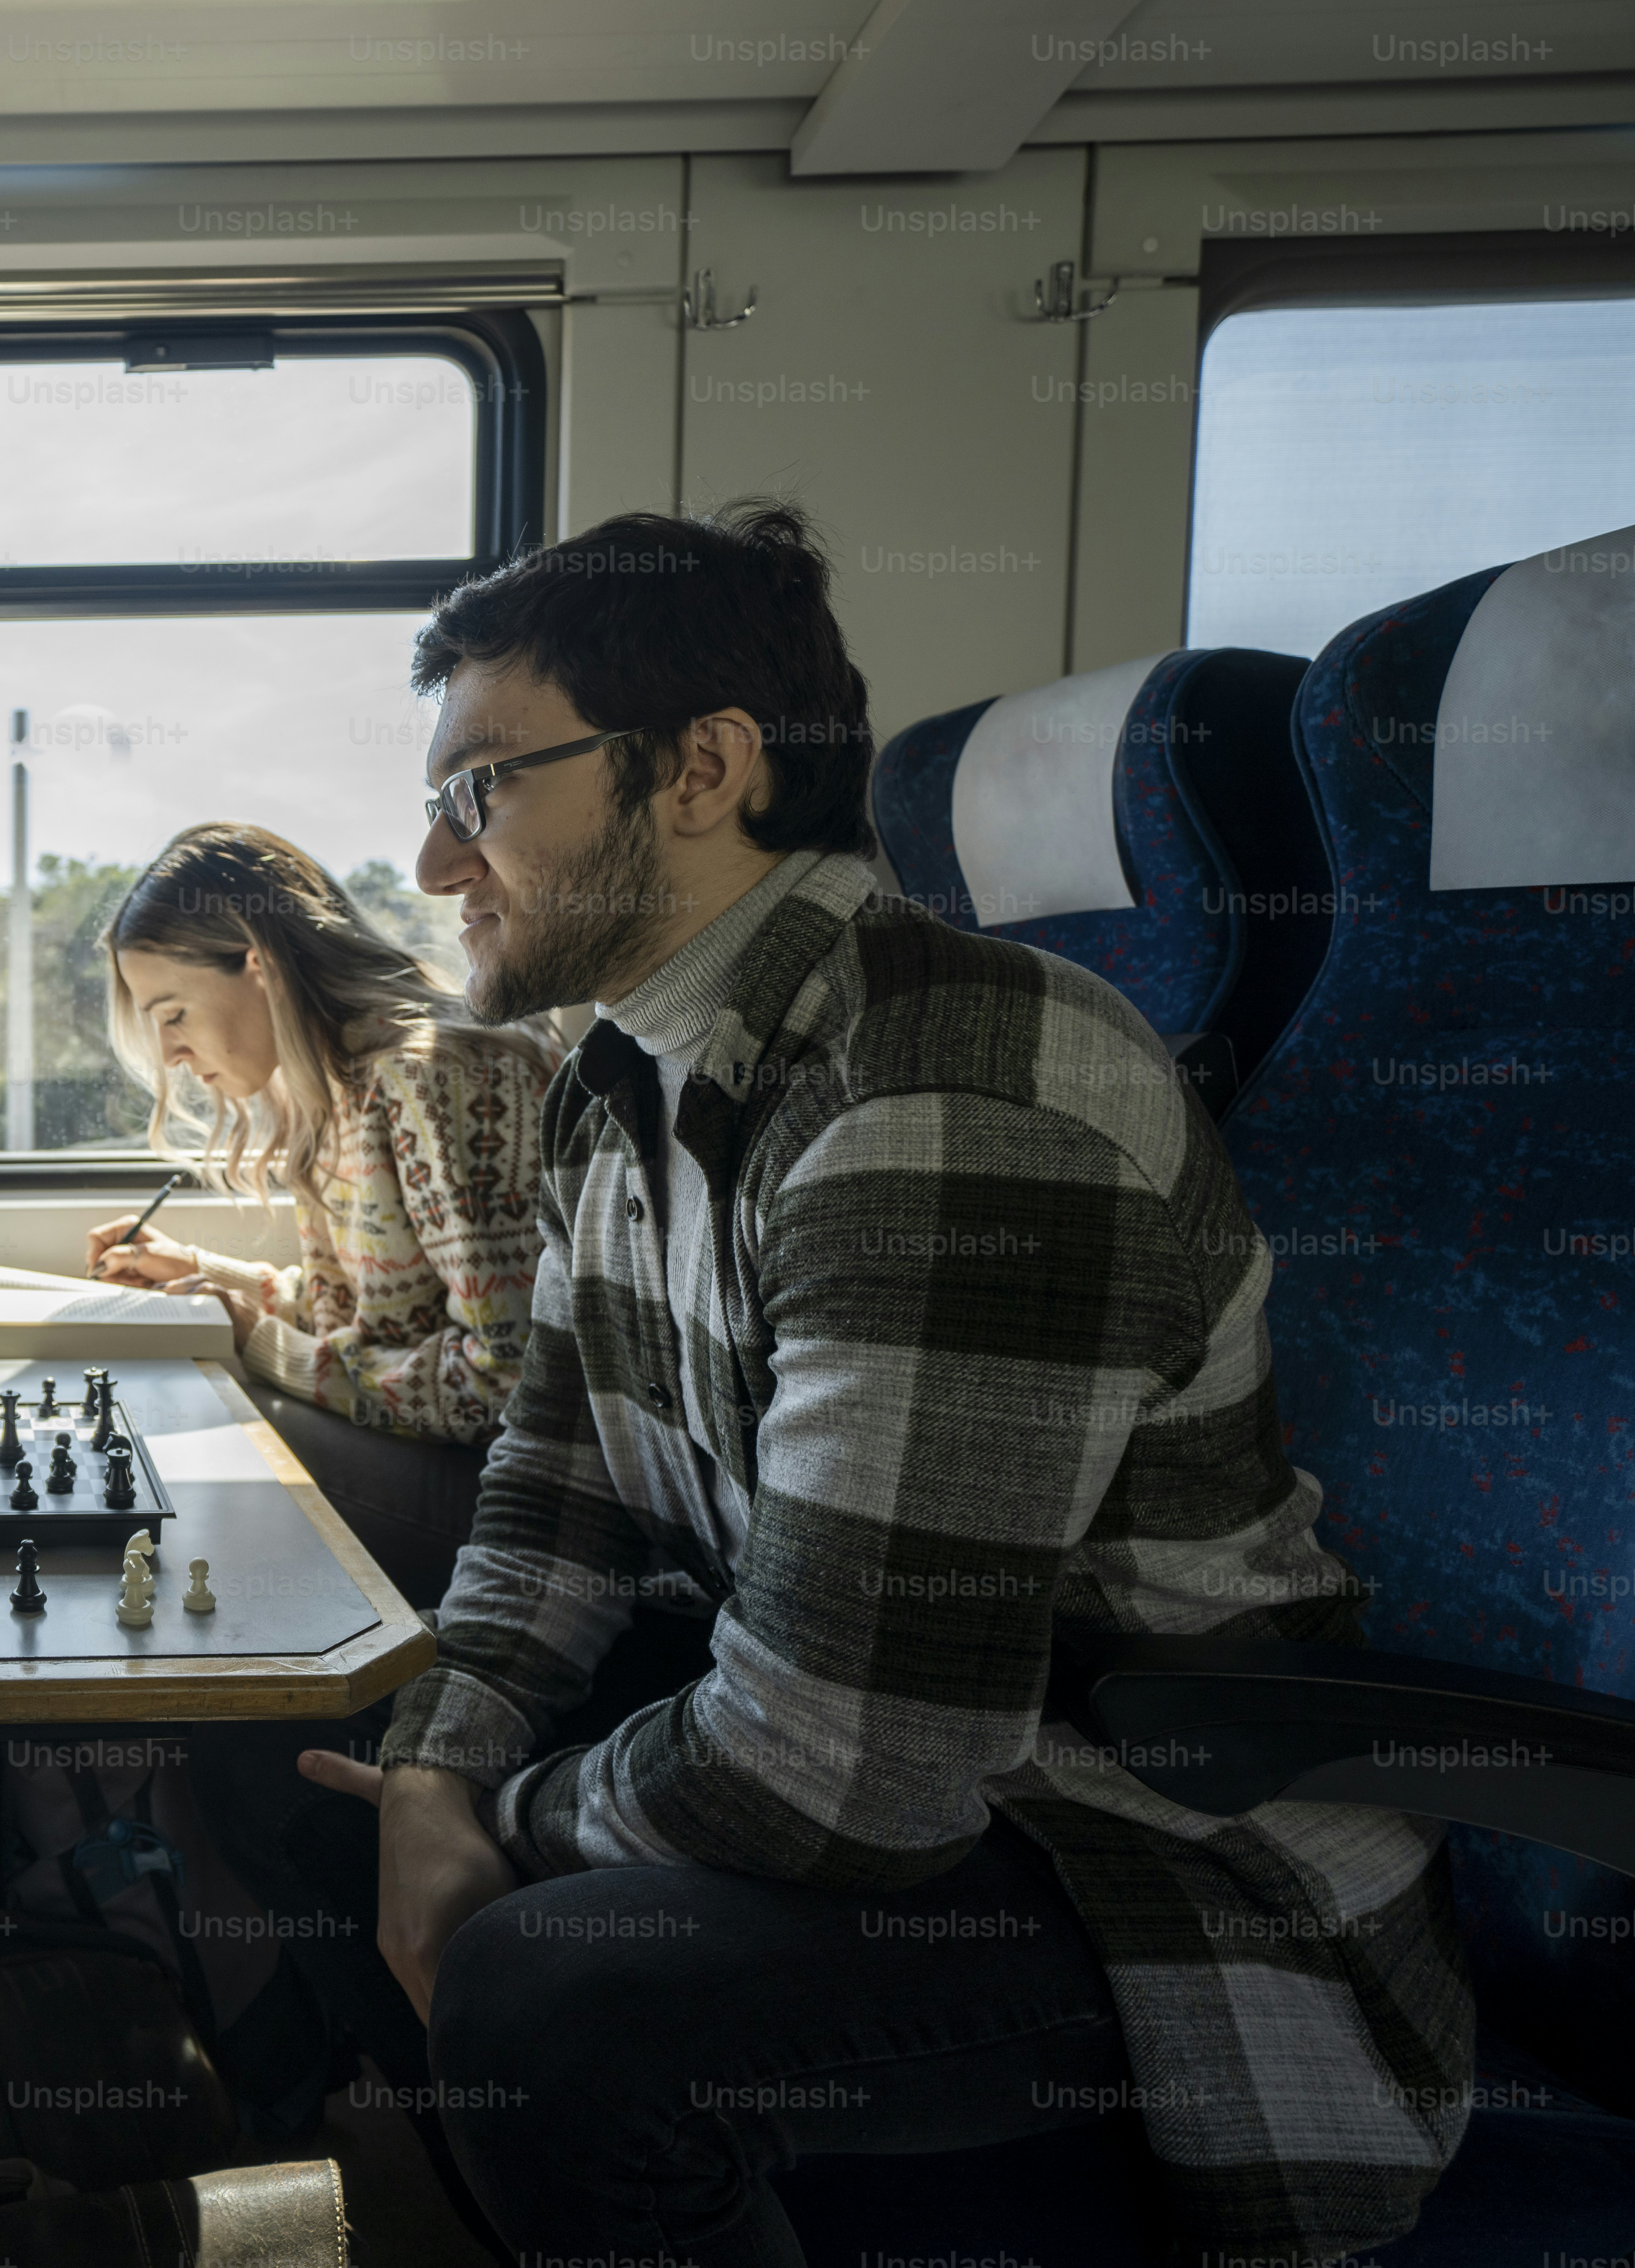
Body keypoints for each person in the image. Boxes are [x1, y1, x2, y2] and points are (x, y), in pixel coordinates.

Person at [255, 500, 1467, 2267]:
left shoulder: (938, 1092)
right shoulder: (622, 1070)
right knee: (303, 1780)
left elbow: (838, 1778)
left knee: (551, 2002)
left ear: (699, 767)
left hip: (1132, 1845)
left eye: (481, 791)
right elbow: (553, 1486)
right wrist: (438, 1763)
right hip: (916, 1754)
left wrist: (487, 1820)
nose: (437, 865)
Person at [87, 822, 557, 1607]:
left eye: (173, 1013)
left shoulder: (436, 1080)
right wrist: (213, 1279)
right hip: (432, 1453)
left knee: (198, 1437)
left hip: (514, 1500)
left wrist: (263, 1343)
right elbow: (386, 1314)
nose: (169, 1053)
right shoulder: (344, 1085)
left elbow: (505, 1383)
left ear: (257, 964)